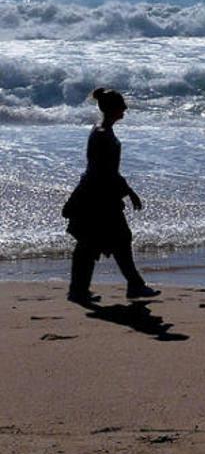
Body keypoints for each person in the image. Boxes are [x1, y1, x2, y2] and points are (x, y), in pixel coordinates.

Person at [62, 88, 159, 304]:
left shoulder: (102, 131)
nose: (125, 108)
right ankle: (133, 285)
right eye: (121, 105)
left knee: (92, 244)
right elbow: (105, 171)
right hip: (98, 196)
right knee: (114, 240)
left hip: (96, 192)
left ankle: (79, 290)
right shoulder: (102, 134)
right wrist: (129, 192)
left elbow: (106, 171)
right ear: (113, 109)